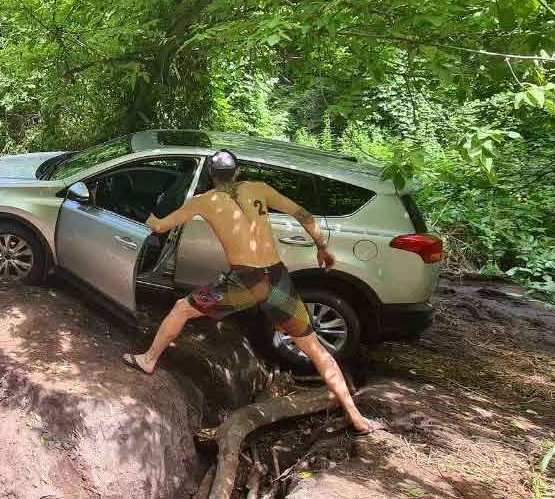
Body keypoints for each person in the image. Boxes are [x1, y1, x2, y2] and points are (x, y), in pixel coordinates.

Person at [121, 149, 373, 434]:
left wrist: (151, 217)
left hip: (244, 284)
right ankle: (355, 416)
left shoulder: (203, 201)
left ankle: (149, 359)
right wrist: (322, 248)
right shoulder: (260, 189)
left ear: (211, 176)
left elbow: (160, 227)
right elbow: (303, 214)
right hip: (277, 280)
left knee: (182, 307)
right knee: (316, 349)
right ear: (237, 172)